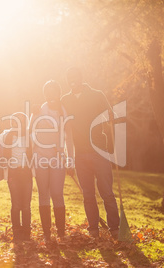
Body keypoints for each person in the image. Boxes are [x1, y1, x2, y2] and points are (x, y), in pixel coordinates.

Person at [61, 67, 119, 239]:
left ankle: (114, 229)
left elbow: (111, 116)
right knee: (88, 194)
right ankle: (93, 230)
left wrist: (111, 116)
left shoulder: (97, 95)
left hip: (99, 152)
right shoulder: (65, 100)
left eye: (75, 77)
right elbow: (64, 130)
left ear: (81, 77)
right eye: (69, 78)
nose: (73, 80)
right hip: (80, 154)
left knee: (106, 192)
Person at [30, 80, 74, 243]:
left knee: (56, 193)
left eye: (54, 92)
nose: (51, 95)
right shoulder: (39, 110)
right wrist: (33, 115)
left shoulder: (64, 111)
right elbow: (30, 132)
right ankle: (47, 234)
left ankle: (61, 234)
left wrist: (70, 161)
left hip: (57, 158)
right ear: (45, 94)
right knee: (44, 194)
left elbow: (69, 138)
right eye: (47, 92)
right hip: (40, 157)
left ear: (58, 93)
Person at [0, 112, 33, 244]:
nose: (18, 124)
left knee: (26, 205)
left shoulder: (29, 136)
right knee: (16, 204)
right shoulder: (7, 136)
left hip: (26, 173)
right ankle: (17, 232)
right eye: (16, 121)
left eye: (22, 121)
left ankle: (26, 233)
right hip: (13, 173)